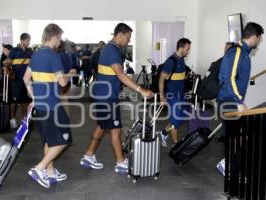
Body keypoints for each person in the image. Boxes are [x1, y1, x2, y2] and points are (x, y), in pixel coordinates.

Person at [79, 23, 154, 174]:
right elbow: (120, 75)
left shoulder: (108, 48)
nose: (128, 40)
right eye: (128, 37)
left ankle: (88, 155)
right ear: (120, 34)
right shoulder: (113, 50)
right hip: (107, 97)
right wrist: (141, 90)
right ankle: (120, 162)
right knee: (115, 129)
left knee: (102, 125)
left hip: (102, 94)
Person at [23, 23, 76, 188]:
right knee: (64, 139)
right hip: (52, 107)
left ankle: (50, 172)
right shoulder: (54, 56)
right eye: (59, 39)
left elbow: (26, 79)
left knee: (49, 141)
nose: (59, 43)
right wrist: (71, 73)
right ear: (53, 37)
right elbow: (62, 82)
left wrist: (34, 96)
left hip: (40, 107)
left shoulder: (36, 55)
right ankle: (39, 168)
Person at [217, 22, 264, 139]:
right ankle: (230, 157)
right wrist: (239, 102)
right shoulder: (237, 51)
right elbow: (229, 78)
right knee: (235, 137)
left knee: (233, 136)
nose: (258, 42)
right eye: (259, 39)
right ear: (253, 37)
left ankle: (228, 157)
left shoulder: (243, 52)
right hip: (229, 100)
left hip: (230, 100)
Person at [159, 38, 191, 147]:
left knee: (179, 118)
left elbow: (178, 76)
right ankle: (175, 145)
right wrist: (162, 97)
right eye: (187, 49)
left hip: (181, 95)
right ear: (181, 48)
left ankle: (163, 133)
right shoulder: (171, 61)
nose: (188, 51)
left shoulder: (182, 59)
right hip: (173, 96)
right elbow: (161, 79)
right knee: (176, 120)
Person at [3, 33, 33, 129]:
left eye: (29, 40)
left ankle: (24, 120)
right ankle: (12, 120)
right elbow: (8, 62)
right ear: (22, 41)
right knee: (14, 101)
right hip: (16, 80)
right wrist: (8, 70)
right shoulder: (14, 51)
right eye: (27, 40)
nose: (28, 42)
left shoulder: (30, 51)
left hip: (27, 80)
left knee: (25, 101)